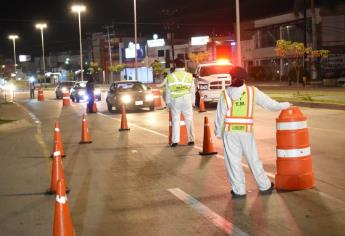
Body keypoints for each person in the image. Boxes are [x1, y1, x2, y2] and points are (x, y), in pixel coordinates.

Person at [214, 68, 291, 198]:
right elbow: (270, 104)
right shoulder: (252, 92)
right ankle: (265, 185)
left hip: (230, 132)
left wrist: (218, 133)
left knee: (233, 162)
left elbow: (220, 116)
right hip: (246, 132)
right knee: (253, 159)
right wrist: (285, 105)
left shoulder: (225, 94)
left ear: (231, 77)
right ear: (244, 78)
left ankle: (239, 190)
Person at [166, 58, 195, 147]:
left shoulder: (170, 76)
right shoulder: (189, 76)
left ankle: (175, 141)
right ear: (184, 66)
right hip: (187, 99)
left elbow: (168, 91)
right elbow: (192, 89)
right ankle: (191, 139)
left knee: (175, 120)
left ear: (175, 65)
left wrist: (168, 103)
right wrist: (192, 101)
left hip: (175, 100)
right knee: (189, 120)